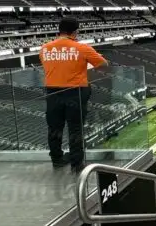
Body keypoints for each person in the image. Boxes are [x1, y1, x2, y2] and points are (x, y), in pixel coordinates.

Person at [39, 17, 107, 170]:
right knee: (75, 129)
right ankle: (77, 164)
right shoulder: (82, 48)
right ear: (75, 32)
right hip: (75, 92)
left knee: (54, 128)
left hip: (52, 93)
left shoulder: (44, 48)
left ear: (59, 31)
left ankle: (56, 159)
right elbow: (103, 63)